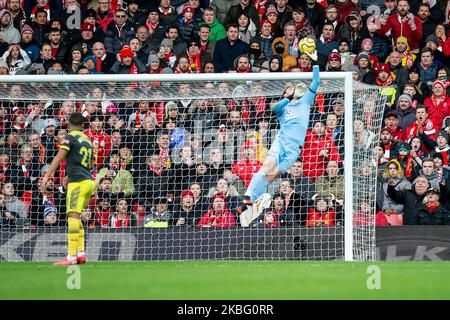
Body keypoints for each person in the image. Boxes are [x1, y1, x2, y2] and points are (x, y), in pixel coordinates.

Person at [237, 65, 320, 214]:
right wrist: (288, 97)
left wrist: (315, 65)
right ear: (284, 94)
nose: (291, 89)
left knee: (269, 177)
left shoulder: (305, 102)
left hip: (294, 149)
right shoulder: (282, 108)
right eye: (287, 89)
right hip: (281, 142)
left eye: (292, 88)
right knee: (265, 167)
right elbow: (275, 108)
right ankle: (248, 195)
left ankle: (248, 203)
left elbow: (316, 82)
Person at [41, 112, 96, 266]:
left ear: (68, 123)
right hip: (89, 182)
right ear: (83, 125)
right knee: (76, 216)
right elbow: (91, 163)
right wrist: (70, 174)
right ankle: (81, 253)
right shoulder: (88, 140)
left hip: (78, 183)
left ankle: (71, 256)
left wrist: (46, 176)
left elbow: (60, 156)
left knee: (72, 216)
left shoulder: (70, 137)